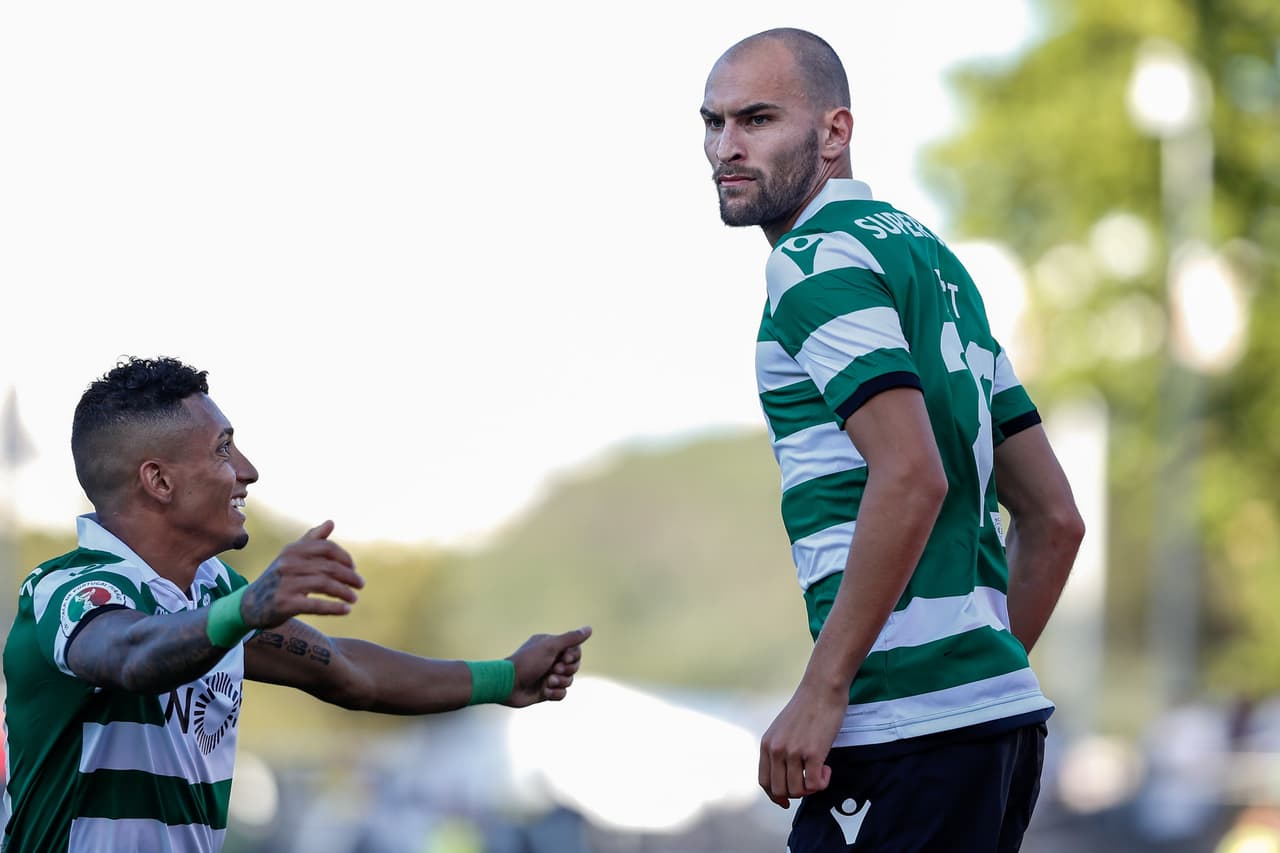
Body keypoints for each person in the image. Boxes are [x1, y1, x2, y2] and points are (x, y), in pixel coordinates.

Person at [700, 28, 1085, 851]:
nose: (725, 148)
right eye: (714, 123)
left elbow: (912, 474)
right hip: (995, 730)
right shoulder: (935, 262)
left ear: (834, 133)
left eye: (757, 119)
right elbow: (1055, 519)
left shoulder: (810, 260)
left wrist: (824, 688)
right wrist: (978, 681)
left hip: (903, 733)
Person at [1, 356, 591, 853]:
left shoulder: (212, 595)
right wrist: (246, 609)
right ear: (159, 481)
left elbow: (349, 674)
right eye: (223, 449)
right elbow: (130, 654)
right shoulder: (69, 589)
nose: (248, 472)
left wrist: (505, 677)